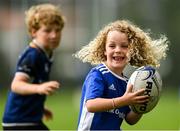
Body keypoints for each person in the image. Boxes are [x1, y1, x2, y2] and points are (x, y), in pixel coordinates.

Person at [74, 20, 169, 130]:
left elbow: (130, 120)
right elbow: (91, 105)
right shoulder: (98, 74)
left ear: (132, 50)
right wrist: (123, 100)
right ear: (104, 50)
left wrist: (142, 106)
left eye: (124, 46)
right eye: (112, 46)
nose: (118, 50)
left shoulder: (128, 83)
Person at [2, 3, 65, 130]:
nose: (54, 35)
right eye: (47, 30)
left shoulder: (45, 54)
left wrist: (39, 107)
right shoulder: (32, 55)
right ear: (33, 32)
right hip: (20, 121)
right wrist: (39, 88)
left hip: (28, 119)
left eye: (57, 30)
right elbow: (16, 85)